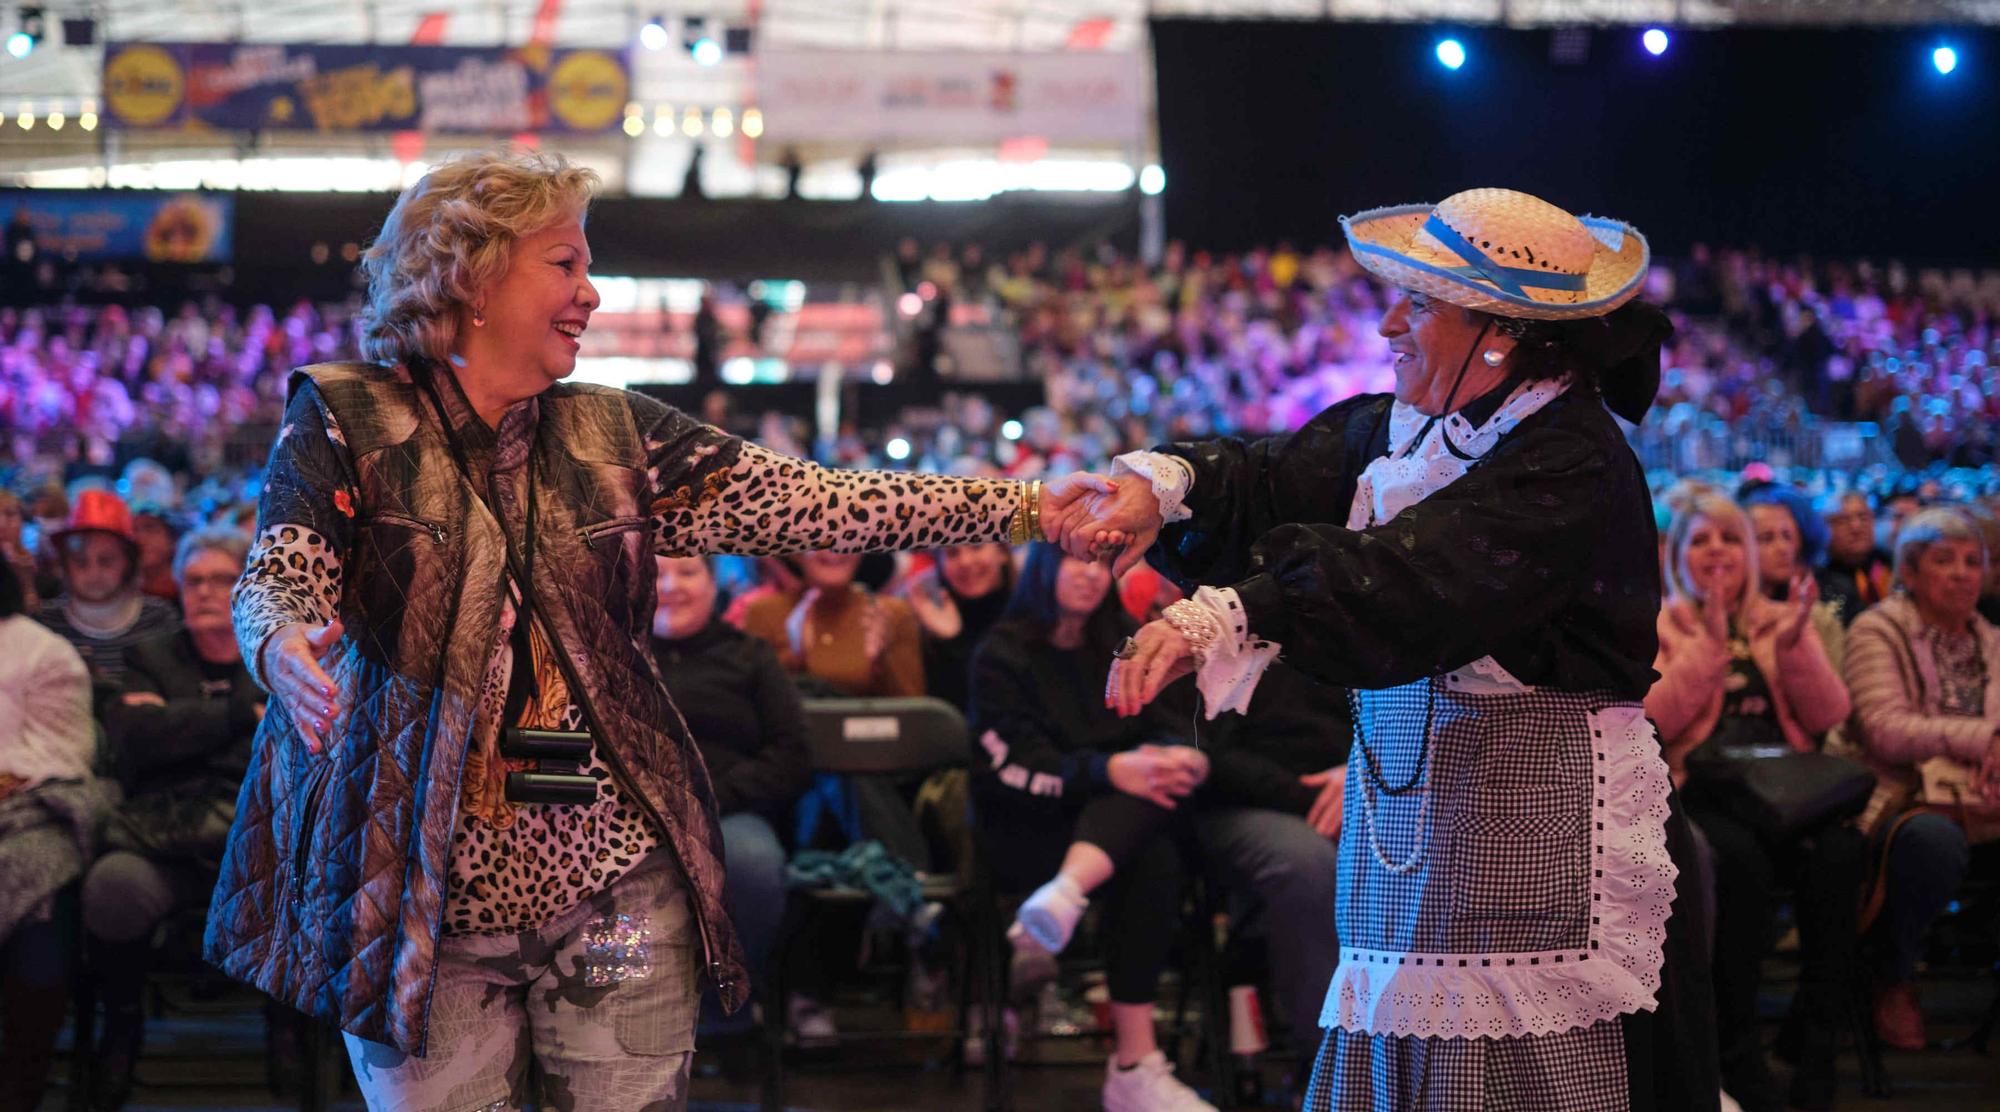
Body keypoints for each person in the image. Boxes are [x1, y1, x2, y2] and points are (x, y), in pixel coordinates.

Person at [206, 146, 1102, 1112]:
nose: (591, 293)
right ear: (469, 272)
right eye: (566, 263)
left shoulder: (614, 433)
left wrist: (1026, 509)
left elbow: (816, 502)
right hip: (419, 903)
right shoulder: (345, 415)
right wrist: (279, 641)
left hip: (614, 890)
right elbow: (283, 570)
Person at [1058, 189, 1716, 1110]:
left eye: (1419, 304)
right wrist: (1155, 489)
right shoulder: (1408, 428)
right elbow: (1269, 477)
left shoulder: (1569, 454)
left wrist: (1217, 617)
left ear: (1501, 334)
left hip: (1532, 832)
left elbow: (1412, 579)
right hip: (1417, 830)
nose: (1388, 323)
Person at [968, 543, 1214, 1112]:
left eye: (1100, 565)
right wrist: (1109, 768)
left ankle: (1069, 897)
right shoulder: (1001, 654)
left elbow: (1167, 724)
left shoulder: (1123, 640)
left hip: (1110, 832)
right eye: (1075, 562)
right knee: (1144, 826)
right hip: (1025, 829)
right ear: (1044, 569)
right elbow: (1010, 769)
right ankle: (1133, 1066)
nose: (1088, 575)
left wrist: (1182, 758)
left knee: (1154, 840)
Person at [1647, 493, 1856, 1111]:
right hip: (1707, 795)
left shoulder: (1783, 618)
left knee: (1843, 853)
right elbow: (1655, 722)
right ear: (1678, 555)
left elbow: (1830, 716)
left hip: (1788, 795)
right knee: (1737, 859)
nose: (1717, 551)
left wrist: (1796, 646)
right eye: (1702, 540)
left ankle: (1815, 1042)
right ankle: (1735, 1049)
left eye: (1730, 539)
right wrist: (1709, 644)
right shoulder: (1661, 623)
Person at [85, 526, 268, 1110]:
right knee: (112, 885)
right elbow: (135, 741)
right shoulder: (150, 657)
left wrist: (180, 725)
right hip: (164, 837)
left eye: (221, 579)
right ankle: (122, 1024)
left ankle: (293, 1028)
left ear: (247, 585)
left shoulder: (271, 655)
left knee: (316, 885)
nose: (206, 592)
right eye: (194, 581)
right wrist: (241, 716)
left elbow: (294, 748)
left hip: (258, 844)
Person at [1843, 507, 2000, 1051]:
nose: (1962, 573)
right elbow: (1886, 731)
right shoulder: (1876, 629)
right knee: (1930, 842)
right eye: (1943, 560)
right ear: (1908, 571)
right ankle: (1893, 974)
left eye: (1972, 562)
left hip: (1985, 796)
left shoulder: (1993, 640)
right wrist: (1985, 739)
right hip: (1902, 798)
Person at [650, 554, 810, 1040]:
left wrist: (712, 797)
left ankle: (730, 998)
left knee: (755, 867)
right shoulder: (613, 653)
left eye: (687, 572)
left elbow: (792, 756)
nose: (671, 586)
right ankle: (634, 1005)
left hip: (729, 812)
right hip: (631, 818)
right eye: (655, 574)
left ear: (715, 583)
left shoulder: (750, 657)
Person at [1194, 657, 1350, 1092]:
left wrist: (1356, 777)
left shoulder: (1341, 625)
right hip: (1242, 804)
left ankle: (1415, 1056)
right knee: (1307, 865)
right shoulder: (1219, 627)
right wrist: (1310, 797)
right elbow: (1209, 752)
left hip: (1349, 793)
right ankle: (1331, 1068)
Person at [0, 559, 108, 1112]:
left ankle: (20, 1090)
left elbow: (63, 758)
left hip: (33, 813)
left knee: (39, 905)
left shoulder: (44, 652)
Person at [35, 489, 181, 690]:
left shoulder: (160, 617)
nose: (94, 573)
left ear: (128, 563)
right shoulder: (43, 623)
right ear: (65, 565)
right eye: (80, 562)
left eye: (106, 561)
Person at [903, 541, 1015, 712]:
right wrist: (950, 641)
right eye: (952, 553)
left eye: (976, 546)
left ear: (1002, 552)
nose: (965, 561)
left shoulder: (1031, 616)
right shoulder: (927, 622)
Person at [1819, 490, 1892, 626]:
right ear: (1825, 530)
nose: (1856, 527)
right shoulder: (1818, 580)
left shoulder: (1892, 563)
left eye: (1863, 517)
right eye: (1842, 520)